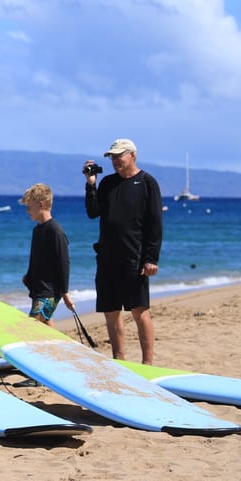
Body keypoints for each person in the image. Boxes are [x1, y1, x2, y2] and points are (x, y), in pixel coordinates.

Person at [84, 138, 163, 364]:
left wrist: (151, 258)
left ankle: (147, 363)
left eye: (120, 156)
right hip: (107, 258)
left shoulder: (147, 183)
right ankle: (119, 361)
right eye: (112, 157)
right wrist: (91, 184)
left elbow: (155, 224)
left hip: (135, 259)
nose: (116, 160)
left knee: (139, 311)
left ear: (133, 155)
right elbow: (93, 211)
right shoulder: (108, 183)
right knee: (111, 312)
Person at [20, 183, 75, 326]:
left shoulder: (55, 230)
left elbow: (63, 262)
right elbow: (36, 258)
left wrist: (65, 292)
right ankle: (56, 349)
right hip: (38, 289)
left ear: (41, 204)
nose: (27, 210)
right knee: (46, 328)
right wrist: (29, 277)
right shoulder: (37, 230)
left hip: (49, 291)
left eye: (29, 206)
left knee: (33, 327)